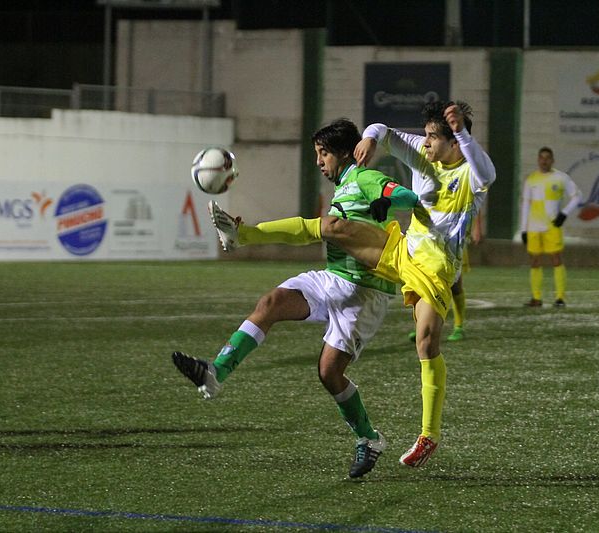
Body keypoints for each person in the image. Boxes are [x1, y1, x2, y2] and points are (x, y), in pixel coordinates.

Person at [211, 101, 495, 468]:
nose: (424, 144)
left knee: (426, 343)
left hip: (437, 268)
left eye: (432, 137)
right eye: (424, 136)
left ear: (454, 141)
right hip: (401, 251)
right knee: (331, 227)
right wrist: (372, 137)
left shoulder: (472, 174)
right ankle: (244, 235)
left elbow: (487, 172)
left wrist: (462, 133)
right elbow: (386, 132)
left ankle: (428, 435)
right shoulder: (424, 158)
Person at [171, 118, 418, 479]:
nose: (319, 161)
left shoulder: (363, 178)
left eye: (323, 154)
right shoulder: (345, 187)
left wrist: (400, 200)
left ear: (344, 153)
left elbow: (402, 194)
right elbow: (310, 231)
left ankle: (369, 438)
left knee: (330, 373)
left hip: (365, 293)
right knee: (270, 303)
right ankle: (214, 373)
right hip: (332, 279)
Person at [519, 147, 582, 308]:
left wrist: (565, 213)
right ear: (538, 160)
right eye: (542, 157)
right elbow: (526, 204)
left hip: (552, 225)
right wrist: (523, 229)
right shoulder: (531, 179)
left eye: (547, 158)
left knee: (556, 258)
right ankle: (536, 298)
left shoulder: (561, 178)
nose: (544, 160)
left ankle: (560, 298)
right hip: (533, 227)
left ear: (552, 160)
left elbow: (577, 196)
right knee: (534, 261)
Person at [407, 211, 482, 343]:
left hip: (454, 235)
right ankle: (422, 326)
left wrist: (477, 226)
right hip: (430, 234)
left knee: (455, 286)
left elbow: (474, 195)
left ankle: (459, 327)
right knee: (426, 281)